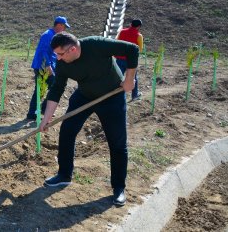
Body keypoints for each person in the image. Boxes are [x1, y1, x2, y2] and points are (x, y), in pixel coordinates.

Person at [38, 32, 138, 207]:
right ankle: (64, 175)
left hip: (111, 96)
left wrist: (129, 79)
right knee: (67, 131)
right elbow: (56, 90)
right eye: (56, 55)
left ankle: (119, 188)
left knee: (117, 143)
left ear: (73, 49)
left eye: (60, 54)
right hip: (84, 96)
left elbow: (132, 49)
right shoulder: (62, 63)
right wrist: (46, 118)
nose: (58, 59)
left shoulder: (96, 45)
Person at [26, 16, 71, 121]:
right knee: (42, 89)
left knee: (53, 87)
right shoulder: (47, 35)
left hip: (48, 66)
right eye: (64, 27)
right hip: (43, 66)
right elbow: (44, 52)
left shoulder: (54, 35)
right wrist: (48, 66)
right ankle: (32, 113)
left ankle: (43, 109)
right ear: (59, 25)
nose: (64, 29)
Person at [115, 19, 144, 101]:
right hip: (131, 61)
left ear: (131, 24)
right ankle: (135, 95)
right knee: (133, 78)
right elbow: (140, 49)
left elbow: (117, 42)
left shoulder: (122, 32)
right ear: (139, 26)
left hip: (120, 58)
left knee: (117, 77)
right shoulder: (139, 36)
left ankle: (114, 96)